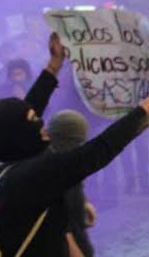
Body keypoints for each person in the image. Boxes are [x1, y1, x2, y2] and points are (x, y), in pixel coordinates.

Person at [0, 32, 149, 256]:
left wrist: (54, 64)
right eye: (33, 120)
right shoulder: (32, 174)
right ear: (17, 133)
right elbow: (100, 149)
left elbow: (28, 108)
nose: (40, 122)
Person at [47, 110, 96, 257]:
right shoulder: (50, 170)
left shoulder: (66, 160)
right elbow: (58, 226)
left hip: (78, 234)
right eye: (79, 142)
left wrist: (84, 203)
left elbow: (76, 185)